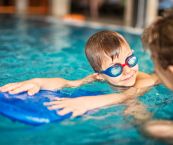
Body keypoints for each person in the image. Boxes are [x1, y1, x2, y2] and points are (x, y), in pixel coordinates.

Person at [0, 30, 159, 118]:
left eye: (130, 60)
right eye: (115, 68)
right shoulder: (99, 79)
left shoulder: (143, 80)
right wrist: (38, 82)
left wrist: (87, 102)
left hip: (160, 81)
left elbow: (127, 96)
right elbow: (70, 83)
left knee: (136, 112)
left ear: (133, 54)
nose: (127, 70)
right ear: (100, 76)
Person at [138, 12, 173, 141]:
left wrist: (135, 109)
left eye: (154, 59)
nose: (154, 69)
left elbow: (154, 129)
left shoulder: (159, 130)